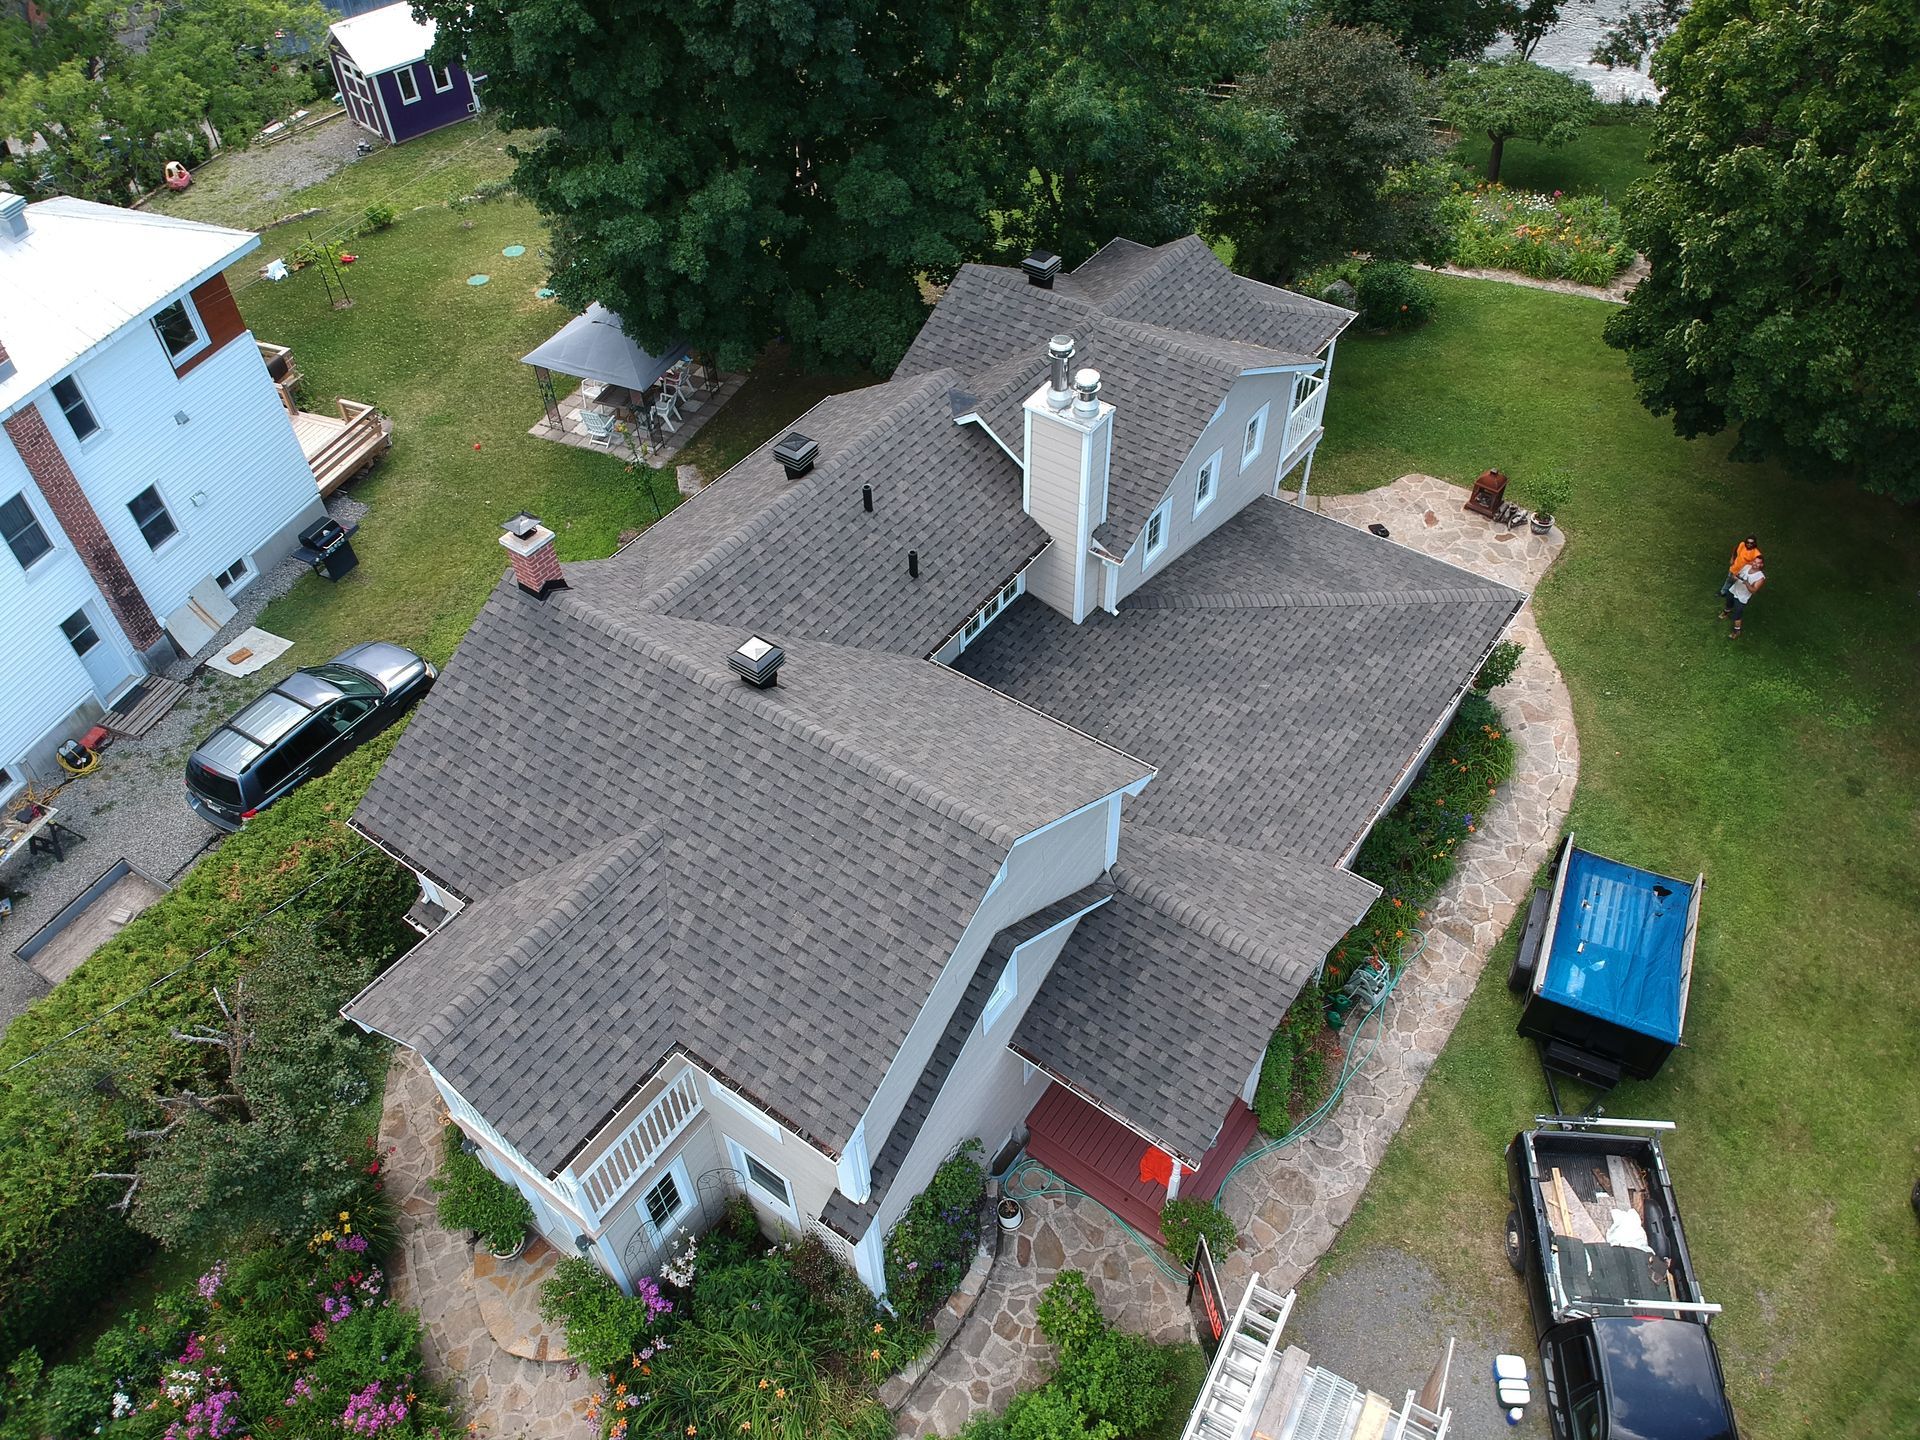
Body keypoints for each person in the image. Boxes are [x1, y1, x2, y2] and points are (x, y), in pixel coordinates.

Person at [1720, 557, 1765, 637]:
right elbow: (1736, 575)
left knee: (1737, 614)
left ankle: (1737, 631)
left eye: (1758, 563)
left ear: (1761, 564)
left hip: (1742, 597)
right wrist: (1735, 577)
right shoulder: (1746, 567)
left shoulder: (1760, 577)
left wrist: (1747, 583)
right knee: (1728, 603)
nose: (1755, 564)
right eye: (1754, 561)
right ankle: (1726, 613)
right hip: (1733, 590)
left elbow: (1753, 591)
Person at [1719, 535, 1760, 600]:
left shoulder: (1756, 554)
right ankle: (1723, 592)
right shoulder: (1742, 544)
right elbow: (1735, 549)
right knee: (1728, 580)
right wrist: (1732, 558)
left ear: (1754, 543)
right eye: (1748, 542)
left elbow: (1756, 567)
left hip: (1741, 573)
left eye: (1751, 543)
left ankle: (1732, 597)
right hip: (1734, 568)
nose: (1749, 544)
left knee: (1737, 585)